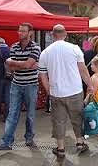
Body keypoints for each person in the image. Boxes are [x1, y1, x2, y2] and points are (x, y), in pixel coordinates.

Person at [39, 24, 93, 158]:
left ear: (52, 35)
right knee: (77, 118)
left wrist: (49, 90)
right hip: (75, 91)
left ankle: (61, 149)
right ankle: (80, 143)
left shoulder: (45, 52)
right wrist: (90, 85)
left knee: (58, 121)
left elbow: (43, 75)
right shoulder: (74, 49)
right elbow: (83, 70)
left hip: (56, 93)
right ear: (65, 34)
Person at [0, 23, 41, 150]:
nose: (20, 33)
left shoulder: (35, 47)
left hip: (31, 85)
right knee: (12, 114)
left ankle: (29, 138)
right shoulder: (14, 46)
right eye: (19, 31)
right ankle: (6, 142)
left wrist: (15, 63)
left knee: (30, 115)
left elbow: (25, 64)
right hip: (16, 84)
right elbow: (11, 67)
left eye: (23, 31)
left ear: (30, 33)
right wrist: (23, 64)